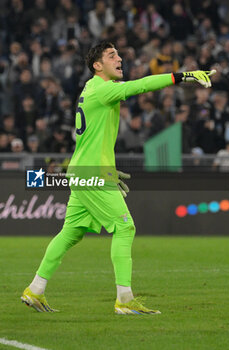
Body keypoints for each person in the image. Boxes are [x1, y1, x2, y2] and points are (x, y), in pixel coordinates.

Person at [21, 41, 216, 315]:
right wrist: (181, 75)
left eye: (119, 54)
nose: (120, 58)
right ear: (97, 65)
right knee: (125, 228)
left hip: (83, 170)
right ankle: (124, 299)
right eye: (112, 55)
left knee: (71, 233)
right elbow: (140, 86)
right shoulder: (102, 89)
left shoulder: (90, 88)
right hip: (92, 173)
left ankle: (35, 289)